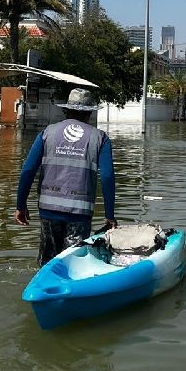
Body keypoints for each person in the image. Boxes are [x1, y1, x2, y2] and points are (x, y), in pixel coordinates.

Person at [14, 88, 117, 265]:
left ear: (66, 110)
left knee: (47, 264)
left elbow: (28, 170)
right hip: (79, 214)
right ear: (90, 112)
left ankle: (41, 290)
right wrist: (109, 214)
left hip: (48, 211)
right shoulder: (99, 138)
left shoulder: (47, 133)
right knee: (73, 264)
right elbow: (107, 176)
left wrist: (20, 205)